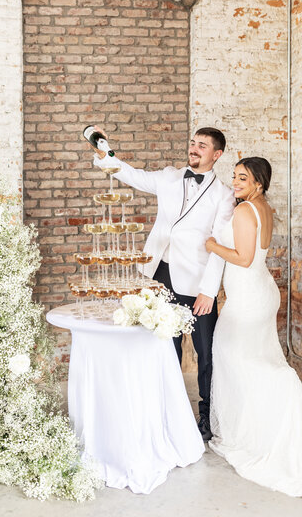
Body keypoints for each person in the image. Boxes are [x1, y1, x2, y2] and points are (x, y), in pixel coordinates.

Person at [91, 126, 235, 440]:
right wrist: (106, 153)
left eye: (202, 146)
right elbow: (132, 174)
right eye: (193, 143)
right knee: (163, 347)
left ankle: (206, 418)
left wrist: (209, 291)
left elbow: (219, 245)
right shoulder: (170, 176)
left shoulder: (224, 195)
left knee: (205, 353)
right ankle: (165, 410)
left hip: (197, 282)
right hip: (160, 274)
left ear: (217, 154)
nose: (194, 149)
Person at [206, 157, 302, 496]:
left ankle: (274, 409)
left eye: (242, 178)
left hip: (248, 298)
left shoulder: (246, 211)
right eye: (234, 177)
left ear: (258, 182)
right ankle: (261, 420)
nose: (235, 182)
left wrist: (212, 245)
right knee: (253, 358)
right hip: (260, 293)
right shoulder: (264, 206)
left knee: (234, 357)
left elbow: (244, 258)